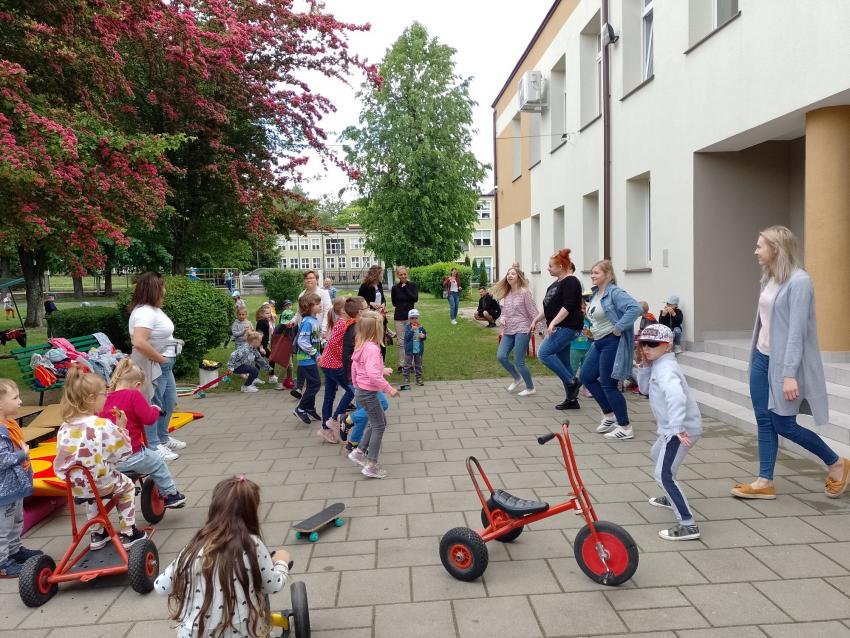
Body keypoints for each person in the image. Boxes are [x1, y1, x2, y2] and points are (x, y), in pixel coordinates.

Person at [731, 225, 849, 500]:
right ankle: (764, 481)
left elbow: (797, 333)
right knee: (764, 419)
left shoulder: (800, 282)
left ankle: (836, 463)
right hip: (762, 359)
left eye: (760, 246)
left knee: (784, 424)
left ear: (775, 249)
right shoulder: (769, 278)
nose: (755, 251)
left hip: (784, 365)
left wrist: (789, 375)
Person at [155, 476, 291, 638]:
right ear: (251, 512)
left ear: (214, 509)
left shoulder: (193, 548)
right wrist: (281, 562)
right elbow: (272, 586)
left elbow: (161, 586)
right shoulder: (252, 545)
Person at [53, 366, 147, 549]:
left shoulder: (65, 426)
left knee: (91, 494)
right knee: (127, 486)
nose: (107, 397)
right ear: (91, 399)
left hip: (75, 485)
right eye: (104, 394)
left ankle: (97, 534)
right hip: (102, 482)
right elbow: (123, 453)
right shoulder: (101, 424)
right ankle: (129, 532)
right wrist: (122, 428)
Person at [636, 324, 703, 541]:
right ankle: (671, 495)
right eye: (644, 344)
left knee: (663, 475)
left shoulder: (666, 368)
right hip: (673, 429)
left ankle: (688, 525)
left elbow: (676, 397)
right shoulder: (657, 364)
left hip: (680, 430)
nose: (646, 348)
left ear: (667, 345)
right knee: (657, 455)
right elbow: (644, 390)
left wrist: (676, 428)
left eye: (653, 344)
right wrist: (644, 366)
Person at [100, 360, 187, 509]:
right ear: (138, 385)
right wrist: (155, 409)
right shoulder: (133, 394)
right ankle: (170, 495)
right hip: (132, 455)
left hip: (109, 460)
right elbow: (148, 418)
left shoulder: (105, 399)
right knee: (157, 461)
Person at [579, 260, 642, 441]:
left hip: (612, 343)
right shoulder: (594, 293)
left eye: (596, 272)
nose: (592, 275)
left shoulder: (615, 293)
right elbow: (598, 317)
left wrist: (619, 328)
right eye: (592, 272)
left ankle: (625, 427)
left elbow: (635, 308)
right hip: (598, 342)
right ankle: (609, 415)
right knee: (586, 376)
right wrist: (592, 331)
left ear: (608, 274)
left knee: (609, 385)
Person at [128, 272, 186, 461]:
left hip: (163, 365)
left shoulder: (153, 309)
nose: (165, 290)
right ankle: (153, 445)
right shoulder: (144, 312)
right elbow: (139, 341)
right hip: (153, 365)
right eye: (162, 286)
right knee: (154, 404)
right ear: (154, 289)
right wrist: (161, 359)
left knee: (169, 401)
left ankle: (162, 438)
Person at [347, 311, 400, 479]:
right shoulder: (372, 349)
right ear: (376, 330)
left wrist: (381, 370)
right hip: (368, 393)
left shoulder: (362, 344)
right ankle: (371, 465)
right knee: (379, 426)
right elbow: (371, 373)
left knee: (378, 422)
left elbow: (357, 367)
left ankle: (359, 452)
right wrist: (389, 389)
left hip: (363, 392)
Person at [531, 249, 585, 408]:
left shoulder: (571, 281)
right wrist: (536, 319)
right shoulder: (555, 284)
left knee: (543, 353)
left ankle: (571, 381)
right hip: (559, 326)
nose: (547, 268)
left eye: (550, 266)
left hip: (567, 327)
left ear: (561, 266)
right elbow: (548, 307)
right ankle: (572, 400)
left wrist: (553, 323)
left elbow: (568, 306)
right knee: (565, 364)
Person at [0, 379, 42, 578]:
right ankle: (2, 563)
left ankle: (14, 551)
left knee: (16, 521)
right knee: (3, 527)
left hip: (14, 486)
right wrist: (22, 454)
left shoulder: (9, 425)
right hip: (4, 490)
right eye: (15, 398)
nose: (20, 401)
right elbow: (2, 459)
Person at [491, 266, 538, 397]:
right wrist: (503, 318)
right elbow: (505, 311)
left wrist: (539, 329)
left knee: (519, 361)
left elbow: (533, 311)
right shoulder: (507, 293)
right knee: (501, 356)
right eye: (508, 274)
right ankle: (517, 377)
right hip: (509, 329)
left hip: (523, 328)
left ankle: (530, 387)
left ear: (519, 277)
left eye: (513, 274)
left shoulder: (525, 292)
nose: (510, 276)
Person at [319, 298, 351, 443]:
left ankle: (326, 429)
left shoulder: (341, 322)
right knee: (352, 390)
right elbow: (332, 343)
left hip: (328, 364)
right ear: (343, 311)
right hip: (334, 365)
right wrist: (344, 358)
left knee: (329, 396)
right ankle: (333, 420)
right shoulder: (342, 323)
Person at [292, 293, 323, 424]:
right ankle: (300, 409)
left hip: (310, 359)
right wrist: (315, 354)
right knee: (315, 384)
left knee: (312, 384)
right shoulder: (308, 322)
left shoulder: (314, 320)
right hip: (306, 359)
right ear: (308, 307)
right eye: (317, 304)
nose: (320, 305)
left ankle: (310, 408)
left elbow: (316, 338)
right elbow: (302, 341)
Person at [390, 266, 418, 372]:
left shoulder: (413, 286)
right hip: (399, 317)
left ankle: (410, 364)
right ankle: (401, 364)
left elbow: (415, 298)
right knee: (400, 342)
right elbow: (394, 303)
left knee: (410, 340)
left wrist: (405, 288)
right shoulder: (395, 288)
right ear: (397, 275)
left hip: (411, 318)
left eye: (404, 274)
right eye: (400, 274)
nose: (403, 276)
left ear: (407, 274)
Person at [270, 300, 296, 391]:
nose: (287, 324)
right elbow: (274, 340)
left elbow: (294, 336)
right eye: (285, 322)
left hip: (289, 348)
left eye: (289, 323)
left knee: (290, 365)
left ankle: (288, 380)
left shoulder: (294, 327)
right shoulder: (278, 328)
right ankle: (280, 383)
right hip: (281, 349)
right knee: (284, 365)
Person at [400, 309, 427, 389]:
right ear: (409, 319)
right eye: (412, 318)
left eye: (416, 318)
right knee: (407, 365)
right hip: (409, 350)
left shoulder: (421, 327)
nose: (414, 320)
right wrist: (412, 330)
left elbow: (424, 336)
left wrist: (423, 336)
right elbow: (407, 338)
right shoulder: (407, 327)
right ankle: (406, 378)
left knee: (418, 365)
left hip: (418, 350)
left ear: (418, 318)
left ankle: (418, 378)